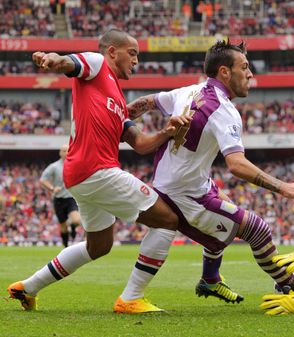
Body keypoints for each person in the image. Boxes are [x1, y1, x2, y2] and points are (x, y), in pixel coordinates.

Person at [8, 29, 191, 314]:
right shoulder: (96, 64)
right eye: (132, 53)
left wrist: (168, 132)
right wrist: (51, 60)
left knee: (99, 245)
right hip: (96, 171)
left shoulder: (118, 101)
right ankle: (130, 298)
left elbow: (141, 144)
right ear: (112, 51)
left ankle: (27, 287)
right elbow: (68, 63)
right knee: (167, 220)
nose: (136, 61)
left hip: (84, 175)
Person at [125, 39, 294, 303]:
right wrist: (283, 187)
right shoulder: (224, 110)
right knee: (257, 229)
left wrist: (116, 121)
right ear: (225, 72)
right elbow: (236, 164)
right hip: (182, 194)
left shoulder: (189, 91)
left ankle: (210, 280)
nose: (250, 74)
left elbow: (146, 102)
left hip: (185, 182)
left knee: (224, 214)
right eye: (245, 67)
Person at [40, 144, 81, 247]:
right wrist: (52, 188)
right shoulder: (54, 166)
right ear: (60, 153)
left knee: (76, 220)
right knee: (63, 226)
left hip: (71, 197)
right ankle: (66, 246)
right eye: (63, 151)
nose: (66, 153)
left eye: (68, 151)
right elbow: (43, 179)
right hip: (59, 199)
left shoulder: (76, 164)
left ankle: (73, 226)